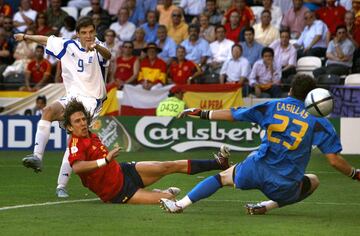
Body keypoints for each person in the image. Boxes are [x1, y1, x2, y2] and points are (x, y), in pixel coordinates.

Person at [160, 74, 360, 214]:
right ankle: (266, 206)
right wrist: (355, 174)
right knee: (313, 181)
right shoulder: (321, 123)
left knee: (221, 178)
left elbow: (234, 114)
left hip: (257, 168)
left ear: (290, 90)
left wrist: (201, 113)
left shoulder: (272, 106)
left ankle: (179, 205)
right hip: (285, 184)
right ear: (311, 95)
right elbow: (334, 161)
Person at [14, 16, 111, 199]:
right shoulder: (68, 46)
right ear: (77, 34)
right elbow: (46, 40)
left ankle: (61, 185)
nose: (88, 35)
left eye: (91, 32)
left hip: (91, 101)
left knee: (73, 138)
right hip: (72, 97)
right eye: (84, 33)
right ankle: (37, 156)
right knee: (48, 111)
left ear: (95, 32)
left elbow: (109, 56)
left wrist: (96, 46)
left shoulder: (99, 47)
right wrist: (25, 36)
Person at [65, 99, 230, 204]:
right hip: (117, 192)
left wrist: (110, 163)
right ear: (69, 127)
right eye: (77, 121)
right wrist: (106, 160)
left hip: (123, 171)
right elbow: (78, 167)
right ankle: (162, 193)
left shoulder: (91, 136)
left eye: (83, 119)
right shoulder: (75, 143)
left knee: (168, 166)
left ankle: (218, 162)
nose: (82, 123)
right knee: (168, 199)